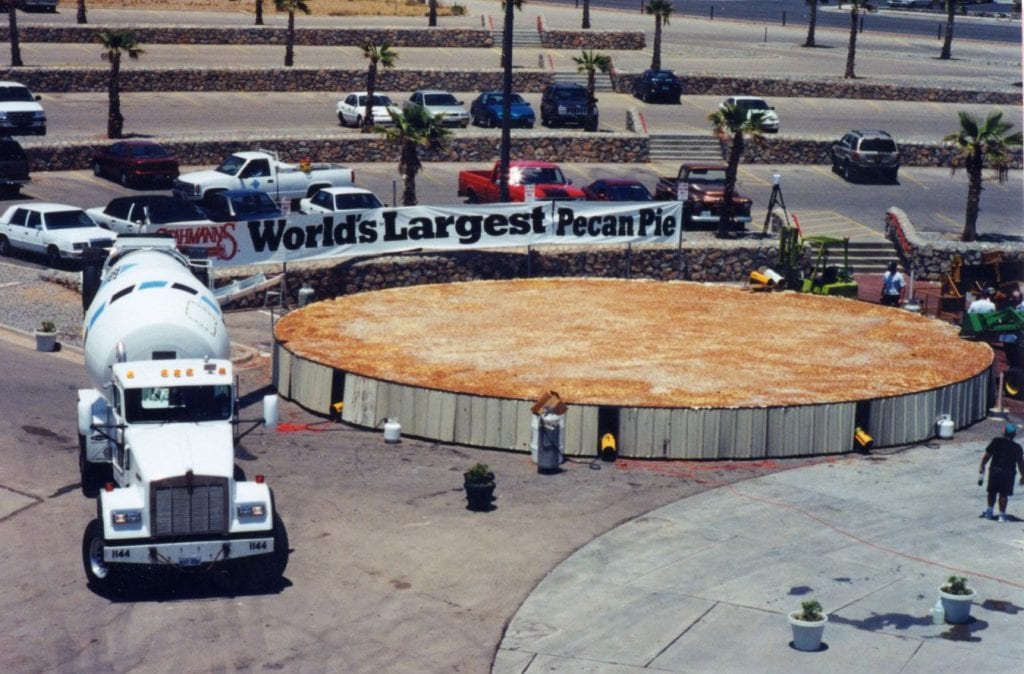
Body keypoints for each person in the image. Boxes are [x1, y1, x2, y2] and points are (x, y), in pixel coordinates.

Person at [979, 423, 1024, 523]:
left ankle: (989, 512)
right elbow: (1020, 463)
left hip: (995, 470)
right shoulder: (1017, 448)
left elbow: (987, 455)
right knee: (1004, 494)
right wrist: (1023, 475)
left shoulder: (996, 441)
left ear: (1004, 432)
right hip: (1008, 473)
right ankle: (1002, 516)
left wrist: (982, 465)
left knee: (992, 491)